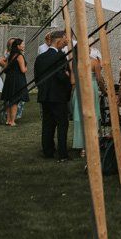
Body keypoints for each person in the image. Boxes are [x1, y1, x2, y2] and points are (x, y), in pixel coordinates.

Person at [35, 31, 72, 161]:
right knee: (62, 124)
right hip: (58, 96)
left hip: (45, 96)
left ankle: (48, 151)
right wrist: (68, 78)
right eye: (65, 40)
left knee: (47, 124)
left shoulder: (40, 57)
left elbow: (37, 78)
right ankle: (62, 153)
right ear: (59, 40)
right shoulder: (60, 56)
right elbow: (62, 76)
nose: (66, 42)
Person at [72, 48, 103, 157]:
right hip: (91, 89)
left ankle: (83, 148)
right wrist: (104, 90)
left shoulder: (75, 63)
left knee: (80, 116)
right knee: (92, 115)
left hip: (79, 89)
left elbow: (72, 81)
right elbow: (99, 79)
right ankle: (92, 144)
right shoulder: (94, 62)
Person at [1, 37, 28, 127]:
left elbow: (5, 67)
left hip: (9, 79)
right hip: (17, 79)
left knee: (9, 100)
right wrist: (26, 67)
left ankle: (8, 120)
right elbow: (23, 70)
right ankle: (12, 121)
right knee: (15, 101)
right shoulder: (19, 56)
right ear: (18, 46)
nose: (24, 46)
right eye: (22, 44)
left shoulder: (10, 55)